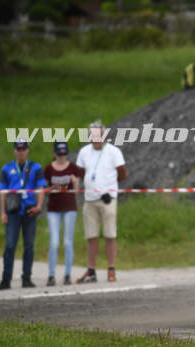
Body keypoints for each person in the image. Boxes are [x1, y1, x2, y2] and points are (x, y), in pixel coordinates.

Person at [75, 121, 127, 283]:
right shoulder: (84, 152)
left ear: (104, 136)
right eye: (93, 135)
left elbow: (122, 173)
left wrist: (110, 189)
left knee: (110, 235)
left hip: (107, 200)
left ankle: (111, 269)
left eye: (99, 135)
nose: (96, 138)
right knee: (91, 236)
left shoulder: (113, 151)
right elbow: (80, 172)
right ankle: (91, 270)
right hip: (90, 200)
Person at [0, 139, 46, 290]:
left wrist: (39, 206)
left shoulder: (36, 167)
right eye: (18, 150)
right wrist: (3, 212)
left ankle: (27, 278)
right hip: (13, 210)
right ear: (14, 151)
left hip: (29, 210)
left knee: (29, 245)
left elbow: (41, 188)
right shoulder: (7, 168)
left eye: (23, 149)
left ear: (27, 150)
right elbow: (3, 192)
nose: (21, 152)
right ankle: (6, 279)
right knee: (10, 245)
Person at [43, 142, 82, 286]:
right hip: (53, 209)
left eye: (64, 154)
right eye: (59, 154)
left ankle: (67, 274)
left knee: (67, 242)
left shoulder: (73, 168)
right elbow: (45, 190)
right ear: (54, 154)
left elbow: (76, 191)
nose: (62, 157)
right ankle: (51, 275)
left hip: (69, 208)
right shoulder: (49, 168)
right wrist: (59, 186)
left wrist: (75, 182)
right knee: (54, 242)